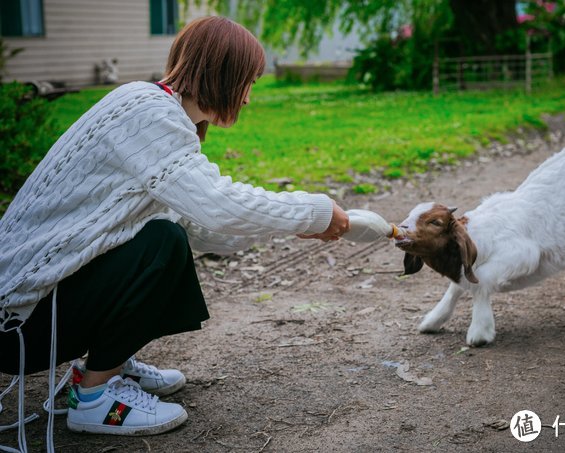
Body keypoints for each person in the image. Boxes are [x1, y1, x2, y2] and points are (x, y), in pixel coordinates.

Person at [0, 16, 349, 441]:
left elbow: (204, 226)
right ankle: (94, 401)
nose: (250, 98)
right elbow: (216, 207)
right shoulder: (149, 115)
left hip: (34, 313)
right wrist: (311, 210)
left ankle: (104, 365)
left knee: (164, 233)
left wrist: (291, 226)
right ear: (223, 75)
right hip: (16, 326)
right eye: (249, 82)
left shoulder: (153, 108)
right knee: (161, 243)